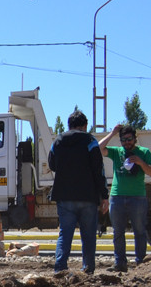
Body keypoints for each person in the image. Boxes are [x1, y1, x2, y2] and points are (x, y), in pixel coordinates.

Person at [48, 110, 109, 275]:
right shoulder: (90, 141)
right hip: (87, 196)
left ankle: (60, 268)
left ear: (69, 125)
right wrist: (104, 195)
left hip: (64, 196)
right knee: (88, 236)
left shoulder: (59, 140)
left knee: (65, 234)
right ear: (85, 125)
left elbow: (52, 164)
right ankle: (87, 269)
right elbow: (99, 170)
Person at [97, 123, 148, 271]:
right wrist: (112, 133)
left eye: (129, 139)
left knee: (139, 231)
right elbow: (99, 148)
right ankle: (120, 263)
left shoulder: (144, 152)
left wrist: (140, 162)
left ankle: (140, 263)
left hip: (138, 197)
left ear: (135, 139)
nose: (127, 142)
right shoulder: (116, 152)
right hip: (117, 197)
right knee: (118, 232)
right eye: (123, 140)